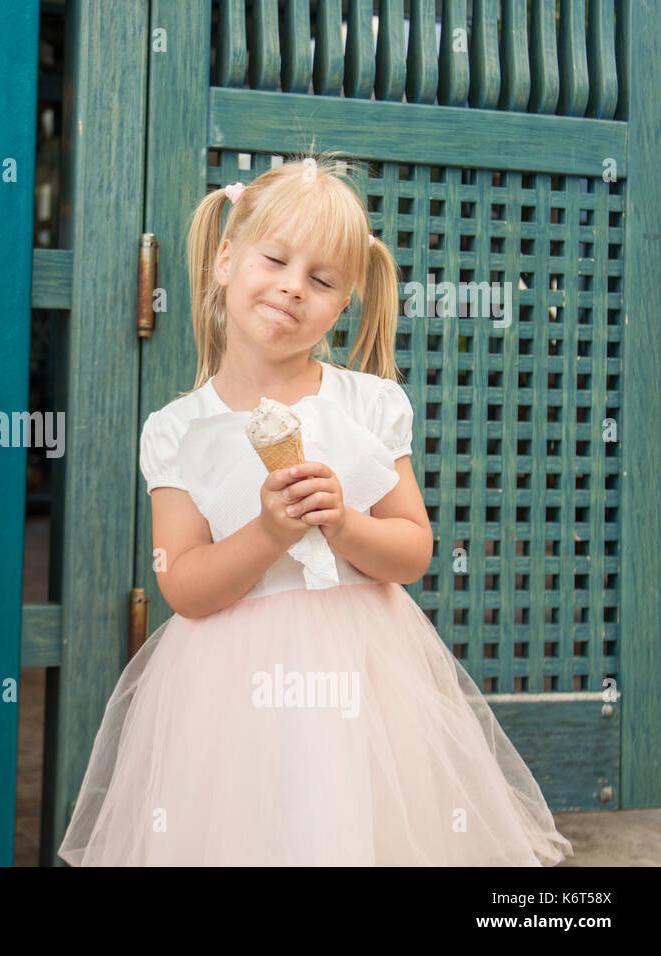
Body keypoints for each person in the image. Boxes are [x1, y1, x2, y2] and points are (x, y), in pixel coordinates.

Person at [57, 155, 573, 866]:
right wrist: (269, 531)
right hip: (229, 692)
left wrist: (345, 522)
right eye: (275, 259)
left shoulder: (367, 404)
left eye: (323, 280)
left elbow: (413, 551)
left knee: (352, 831)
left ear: (344, 302)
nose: (293, 287)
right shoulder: (178, 430)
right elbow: (185, 586)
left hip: (364, 683)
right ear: (227, 262)